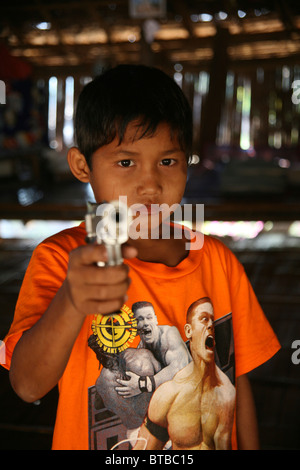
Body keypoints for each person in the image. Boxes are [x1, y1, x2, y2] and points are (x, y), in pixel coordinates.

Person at [1, 64, 280, 450]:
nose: (150, 185)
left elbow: (238, 381)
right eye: (126, 162)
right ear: (83, 166)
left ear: (187, 162)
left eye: (167, 161)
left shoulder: (217, 261)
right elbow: (28, 385)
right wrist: (71, 300)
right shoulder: (62, 259)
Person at [133, 297, 236, 450]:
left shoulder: (227, 394)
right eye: (204, 319)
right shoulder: (168, 394)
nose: (210, 326)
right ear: (188, 331)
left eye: (212, 321)